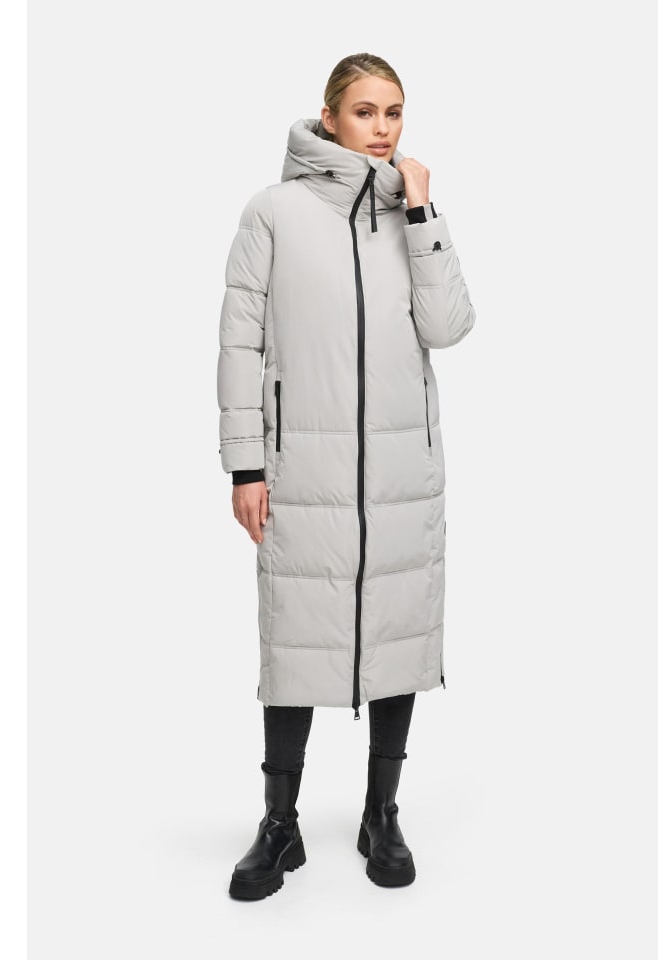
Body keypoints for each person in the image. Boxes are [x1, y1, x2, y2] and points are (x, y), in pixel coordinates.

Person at [217, 52, 476, 899]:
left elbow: (449, 325)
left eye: (394, 112)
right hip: (304, 465)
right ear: (328, 118)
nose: (382, 128)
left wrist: (423, 210)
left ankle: (381, 813)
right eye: (365, 111)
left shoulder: (411, 213)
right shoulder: (274, 212)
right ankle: (279, 824)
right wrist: (246, 463)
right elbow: (240, 342)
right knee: (295, 638)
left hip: (403, 468)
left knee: (397, 632)